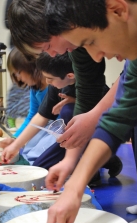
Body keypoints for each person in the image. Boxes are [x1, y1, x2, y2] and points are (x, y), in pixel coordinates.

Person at [36, 0, 137, 223]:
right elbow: (119, 117)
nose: (99, 56)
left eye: (90, 42)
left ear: (118, 9)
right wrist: (75, 187)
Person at [7, 0, 123, 181]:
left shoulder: (81, 31)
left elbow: (130, 82)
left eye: (47, 47)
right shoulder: (75, 44)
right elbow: (97, 88)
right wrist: (70, 161)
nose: (52, 54)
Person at [2, 51, 76, 167]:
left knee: (67, 111)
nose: (18, 78)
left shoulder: (64, 83)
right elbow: (39, 115)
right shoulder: (46, 87)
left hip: (67, 131)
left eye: (18, 73)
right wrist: (16, 142)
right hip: (52, 130)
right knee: (30, 156)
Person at [4, 0, 30, 132]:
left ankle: (29, 117)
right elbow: (7, 22)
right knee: (19, 83)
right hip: (17, 45)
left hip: (33, 44)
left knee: (32, 83)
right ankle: (11, 114)